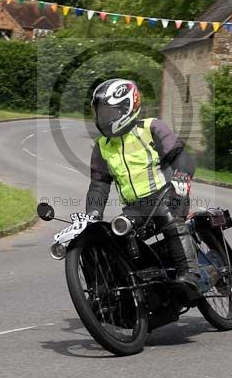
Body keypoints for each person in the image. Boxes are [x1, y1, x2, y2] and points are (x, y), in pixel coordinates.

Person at [85, 78, 200, 298]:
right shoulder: (102, 146)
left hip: (169, 194)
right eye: (100, 112)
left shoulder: (151, 128)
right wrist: (92, 215)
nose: (103, 118)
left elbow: (180, 155)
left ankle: (190, 276)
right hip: (135, 209)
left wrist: (182, 175)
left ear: (127, 108)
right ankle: (115, 295)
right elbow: (99, 185)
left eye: (109, 112)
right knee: (108, 236)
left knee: (168, 217)